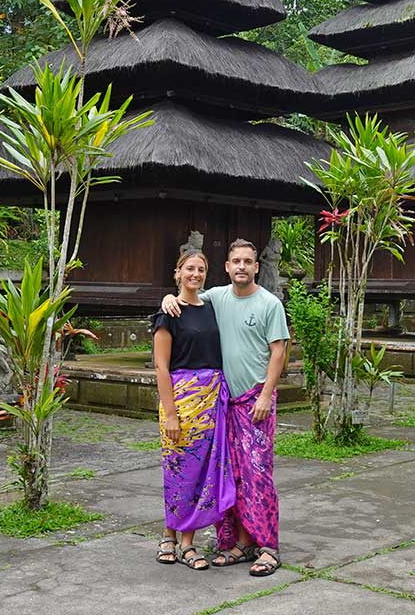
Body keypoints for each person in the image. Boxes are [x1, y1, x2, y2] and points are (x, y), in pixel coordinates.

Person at [162, 238, 288, 577]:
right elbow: (186, 300)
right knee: (229, 476)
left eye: (248, 261)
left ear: (257, 267)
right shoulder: (216, 297)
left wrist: (265, 394)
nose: (242, 266)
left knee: (257, 475)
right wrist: (168, 298)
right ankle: (240, 543)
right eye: (237, 261)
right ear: (227, 267)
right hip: (222, 403)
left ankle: (268, 546)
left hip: (255, 401)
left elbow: (279, 352)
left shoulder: (269, 303)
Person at [152, 250, 235, 571]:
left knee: (202, 473)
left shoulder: (213, 309)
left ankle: (179, 540)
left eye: (201, 269)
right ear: (177, 273)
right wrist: (170, 413)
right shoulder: (168, 313)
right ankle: (177, 539)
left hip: (211, 402)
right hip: (181, 401)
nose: (195, 274)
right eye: (189, 269)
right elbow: (161, 368)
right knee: (178, 470)